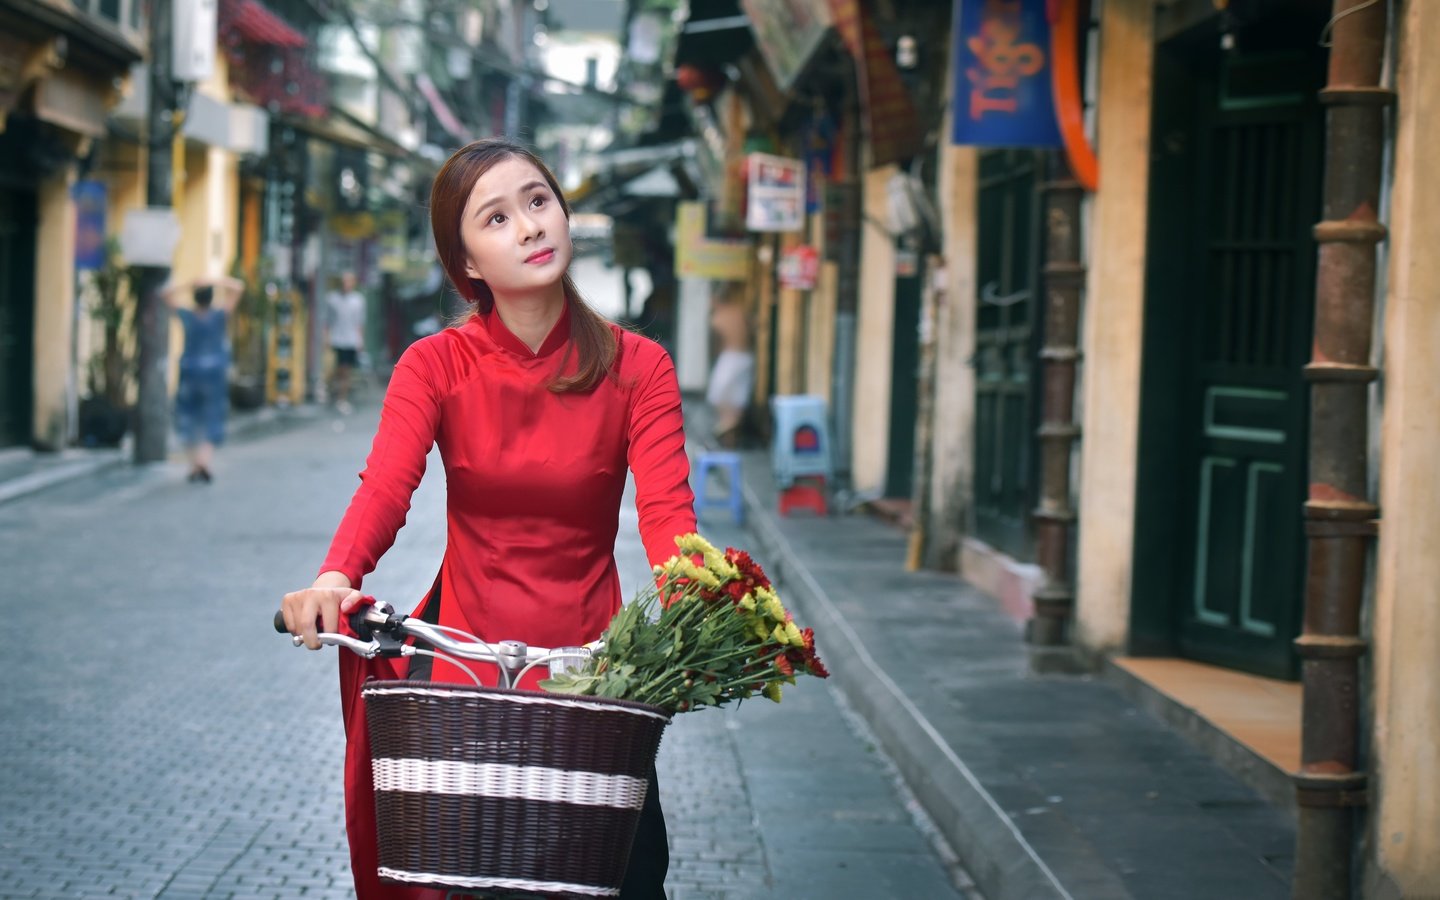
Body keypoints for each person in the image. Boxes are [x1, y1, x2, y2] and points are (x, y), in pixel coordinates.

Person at [280, 138, 696, 900]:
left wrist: (699, 607)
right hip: (468, 667)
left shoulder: (640, 367)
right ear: (466, 261)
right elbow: (386, 487)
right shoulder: (434, 365)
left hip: (595, 676)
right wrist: (335, 577)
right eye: (497, 218)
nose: (531, 227)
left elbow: (669, 515)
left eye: (539, 202)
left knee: (625, 880)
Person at [163, 275, 245, 483]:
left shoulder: (187, 316)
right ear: (211, 298)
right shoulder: (219, 316)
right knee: (212, 417)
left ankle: (193, 465)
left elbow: (166, 294)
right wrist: (215, 280)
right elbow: (238, 287)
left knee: (188, 416)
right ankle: (203, 462)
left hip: (189, 371)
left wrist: (189, 283)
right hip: (214, 373)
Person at [704, 284, 755, 447]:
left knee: (718, 395)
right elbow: (752, 332)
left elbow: (715, 346)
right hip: (747, 357)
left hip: (730, 357)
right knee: (738, 397)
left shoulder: (717, 319)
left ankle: (726, 426)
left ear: (715, 300)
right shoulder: (739, 312)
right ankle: (730, 435)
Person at [326, 271, 367, 413]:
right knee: (337, 370)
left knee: (346, 371)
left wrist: (360, 341)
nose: (347, 284)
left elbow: (359, 323)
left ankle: (341, 398)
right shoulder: (333, 299)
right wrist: (327, 338)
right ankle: (335, 394)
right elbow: (328, 321)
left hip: (351, 340)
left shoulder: (358, 300)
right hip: (337, 339)